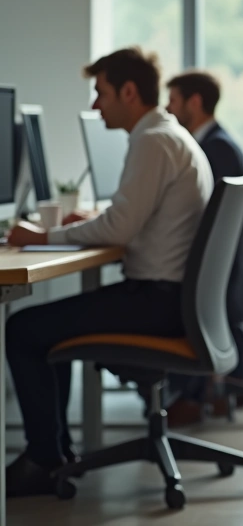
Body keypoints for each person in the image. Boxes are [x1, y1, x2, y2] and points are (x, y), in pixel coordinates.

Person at [3, 47, 213, 496]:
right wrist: (86, 225)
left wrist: (39, 238)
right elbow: (129, 220)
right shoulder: (168, 135)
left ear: (129, 91)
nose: (96, 105)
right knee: (43, 329)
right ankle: (54, 454)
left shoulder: (152, 140)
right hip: (172, 299)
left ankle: (45, 458)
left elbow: (121, 226)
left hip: (156, 302)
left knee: (25, 329)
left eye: (101, 93)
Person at [165, 70, 243, 424]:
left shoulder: (215, 149)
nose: (168, 110)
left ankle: (183, 394)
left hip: (217, 279)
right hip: (228, 275)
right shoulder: (219, 142)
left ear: (195, 102)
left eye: (173, 100)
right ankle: (190, 390)